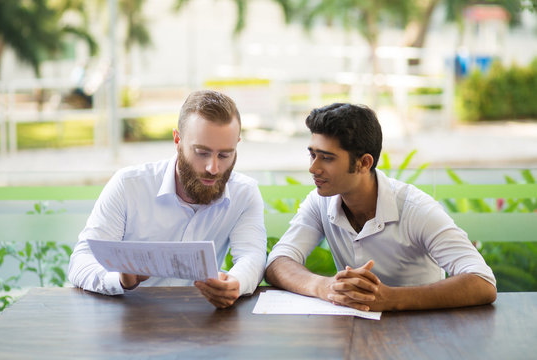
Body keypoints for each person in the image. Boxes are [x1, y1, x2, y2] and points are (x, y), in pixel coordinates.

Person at [265, 103, 497, 312]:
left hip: (424, 334)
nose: (313, 168)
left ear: (364, 163)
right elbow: (278, 262)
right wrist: (325, 286)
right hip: (354, 332)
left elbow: (482, 282)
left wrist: (390, 298)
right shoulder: (320, 201)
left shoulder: (416, 209)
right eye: (312, 155)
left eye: (327, 158)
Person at [68, 90, 267, 308]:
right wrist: (120, 279)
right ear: (177, 140)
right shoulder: (129, 185)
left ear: (237, 144)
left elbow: (251, 256)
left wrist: (236, 282)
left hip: (203, 324)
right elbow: (81, 262)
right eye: (202, 152)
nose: (213, 168)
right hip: (129, 320)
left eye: (225, 155)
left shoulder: (244, 193)